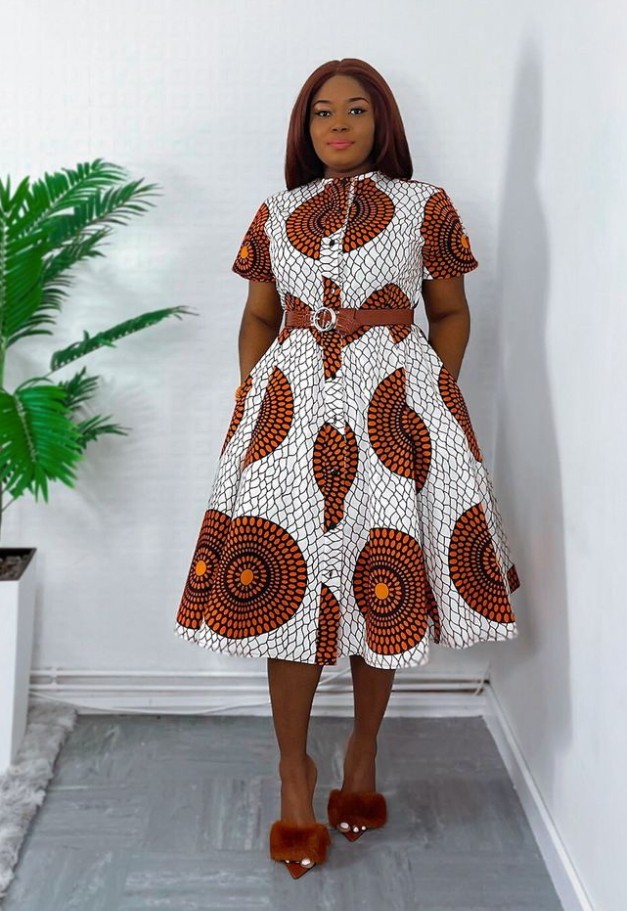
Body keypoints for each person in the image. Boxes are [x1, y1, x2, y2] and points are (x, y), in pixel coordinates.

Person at [174, 57, 520, 878]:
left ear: (381, 121)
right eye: (321, 111)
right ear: (304, 128)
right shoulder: (276, 211)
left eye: (356, 109)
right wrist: (256, 392)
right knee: (284, 588)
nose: (337, 123)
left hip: (393, 417)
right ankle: (294, 774)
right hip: (288, 419)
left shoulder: (424, 205)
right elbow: (258, 316)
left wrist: (427, 393)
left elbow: (449, 311)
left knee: (380, 577)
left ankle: (362, 751)